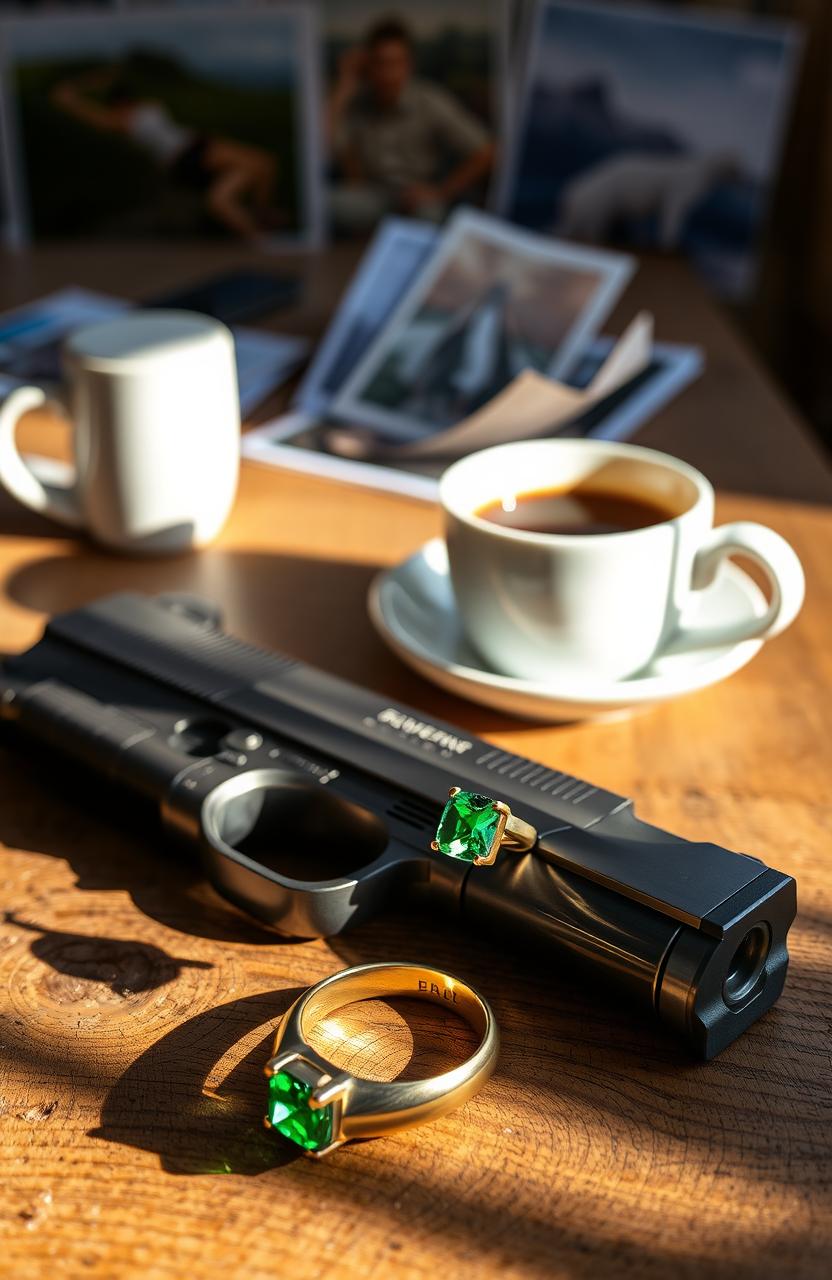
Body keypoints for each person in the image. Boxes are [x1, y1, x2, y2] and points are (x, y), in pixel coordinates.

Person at [50, 64, 283, 242]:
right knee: (259, 164)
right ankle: (260, 221)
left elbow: (113, 77)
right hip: (189, 153)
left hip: (192, 148)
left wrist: (93, 82)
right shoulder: (118, 121)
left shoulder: (139, 109)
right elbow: (77, 106)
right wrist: (77, 93)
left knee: (243, 181)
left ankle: (257, 224)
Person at [327, 17, 494, 234]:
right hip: (375, 196)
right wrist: (345, 84)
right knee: (324, 205)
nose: (388, 74)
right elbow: (327, 146)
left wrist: (442, 191)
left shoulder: (429, 100)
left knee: (429, 216)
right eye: (380, 63)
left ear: (409, 65)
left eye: (396, 64)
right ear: (368, 65)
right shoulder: (359, 103)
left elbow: (486, 151)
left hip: (420, 196)